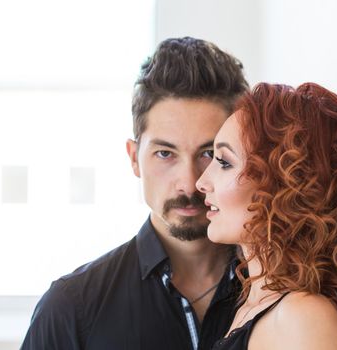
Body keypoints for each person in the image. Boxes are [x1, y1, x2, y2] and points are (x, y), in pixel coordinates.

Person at [21, 37, 249, 350]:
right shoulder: (70, 309)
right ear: (133, 158)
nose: (189, 182)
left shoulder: (283, 298)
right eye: (166, 154)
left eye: (209, 153)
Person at [196, 82, 337, 350]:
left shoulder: (302, 318)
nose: (202, 182)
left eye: (224, 162)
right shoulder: (247, 304)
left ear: (281, 183)